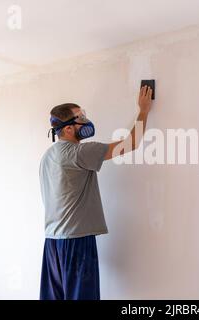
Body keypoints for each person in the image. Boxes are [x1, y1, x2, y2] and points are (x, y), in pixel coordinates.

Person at [38, 86, 153, 300]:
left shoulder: (48, 156)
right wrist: (143, 110)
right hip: (76, 242)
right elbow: (131, 144)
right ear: (69, 128)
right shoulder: (80, 152)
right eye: (80, 117)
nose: (85, 120)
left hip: (52, 242)